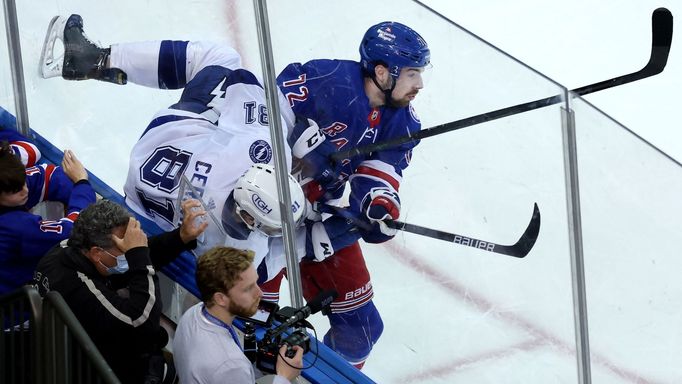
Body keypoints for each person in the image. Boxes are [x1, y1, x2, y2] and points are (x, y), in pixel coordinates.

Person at [40, 14, 306, 287]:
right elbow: (261, 269)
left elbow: (244, 80)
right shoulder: (234, 247)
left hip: (160, 143)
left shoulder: (255, 150)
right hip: (137, 201)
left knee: (222, 58)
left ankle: (97, 59)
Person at [272, 21, 431, 368]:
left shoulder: (401, 121)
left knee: (361, 330)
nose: (419, 84)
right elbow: (259, 113)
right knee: (255, 313)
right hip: (262, 211)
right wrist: (306, 151)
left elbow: (381, 171)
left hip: (318, 217)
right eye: (412, 73)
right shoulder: (325, 81)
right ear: (381, 71)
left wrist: (378, 206)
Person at [33, 198, 207, 384]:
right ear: (96, 253)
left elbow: (137, 255)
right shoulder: (79, 288)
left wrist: (181, 237)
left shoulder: (72, 248)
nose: (128, 255)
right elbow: (141, 323)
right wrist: (139, 256)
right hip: (87, 369)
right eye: (124, 250)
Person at [173, 246, 303, 383]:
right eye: (248, 288)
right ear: (220, 298)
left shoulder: (192, 313)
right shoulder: (232, 366)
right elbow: (230, 369)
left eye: (256, 283)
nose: (260, 293)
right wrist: (284, 376)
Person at [0, 134, 96, 295]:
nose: (25, 190)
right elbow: (75, 230)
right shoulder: (13, 228)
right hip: (17, 310)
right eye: (15, 191)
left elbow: (47, 176)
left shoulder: (9, 181)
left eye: (22, 180)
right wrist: (81, 183)